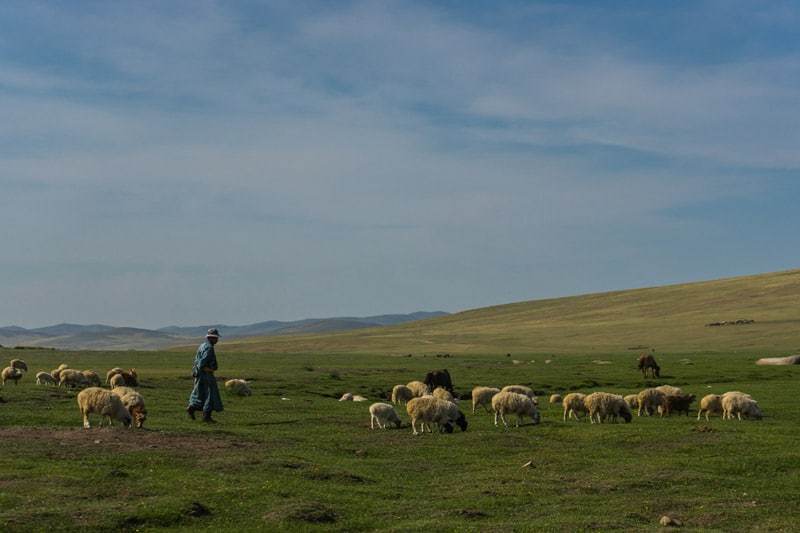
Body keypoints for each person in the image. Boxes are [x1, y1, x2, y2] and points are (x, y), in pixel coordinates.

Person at [187, 328, 223, 423]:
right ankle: (206, 416)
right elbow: (202, 361)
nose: (217, 340)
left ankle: (192, 407)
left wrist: (197, 370)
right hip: (206, 375)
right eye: (216, 338)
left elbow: (197, 360)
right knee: (210, 394)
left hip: (199, 374)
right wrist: (206, 369)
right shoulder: (209, 348)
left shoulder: (202, 345)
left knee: (200, 393)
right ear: (211, 338)